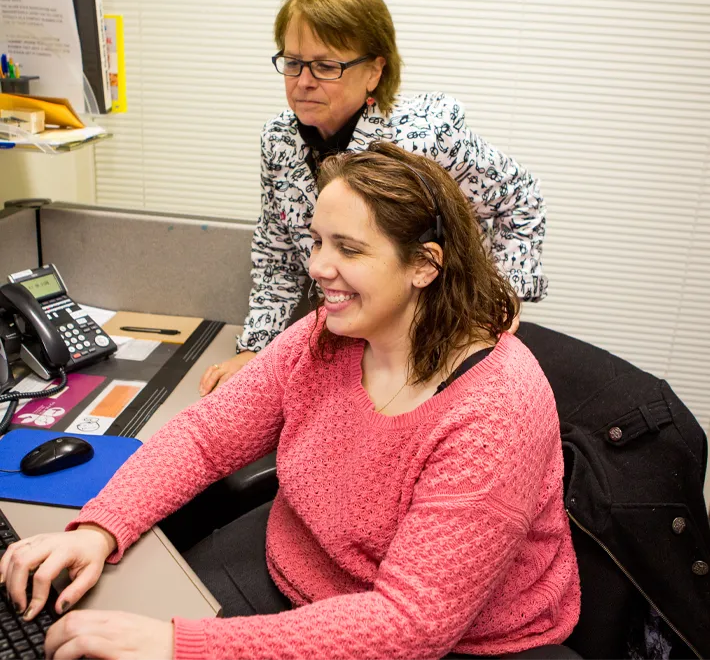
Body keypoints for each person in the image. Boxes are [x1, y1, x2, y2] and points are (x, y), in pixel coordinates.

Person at [0, 142, 580, 660]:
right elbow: (207, 436)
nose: (317, 267)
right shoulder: (327, 336)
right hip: (299, 571)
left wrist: (179, 645)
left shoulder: (496, 411)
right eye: (317, 240)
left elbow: (410, 624)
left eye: (348, 249)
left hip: (445, 642)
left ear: (424, 266)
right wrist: (102, 526)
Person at [199, 0, 548, 396]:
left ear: (374, 71)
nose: (303, 81)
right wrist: (254, 350)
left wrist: (502, 297)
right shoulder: (279, 140)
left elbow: (522, 200)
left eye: (326, 66)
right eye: (292, 63)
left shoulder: (425, 136)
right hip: (348, 337)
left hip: (436, 340)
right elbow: (277, 258)